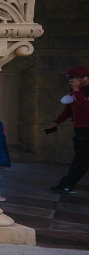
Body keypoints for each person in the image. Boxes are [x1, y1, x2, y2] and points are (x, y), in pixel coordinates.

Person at [47, 65, 89, 194]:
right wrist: (56, 122)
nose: (71, 81)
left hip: (87, 129)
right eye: (69, 78)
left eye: (74, 78)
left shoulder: (78, 91)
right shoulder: (74, 91)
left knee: (81, 159)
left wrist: (76, 90)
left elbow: (86, 106)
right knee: (82, 158)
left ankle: (67, 184)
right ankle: (67, 184)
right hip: (80, 129)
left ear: (85, 77)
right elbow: (68, 110)